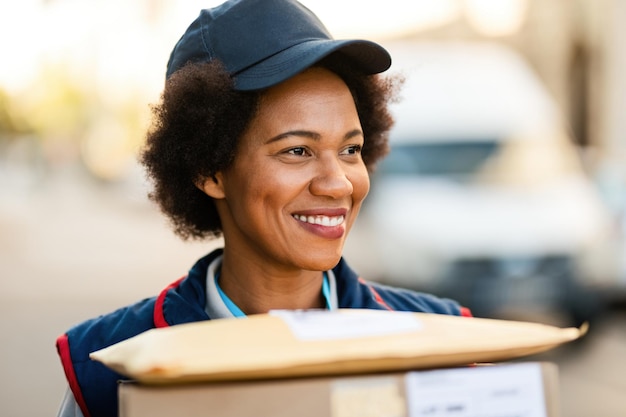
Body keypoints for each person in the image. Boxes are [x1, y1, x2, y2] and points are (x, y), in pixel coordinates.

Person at [55, 0, 471, 416]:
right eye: (297, 150)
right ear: (210, 170)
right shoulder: (108, 368)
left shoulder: (446, 342)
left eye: (350, 149)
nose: (338, 182)